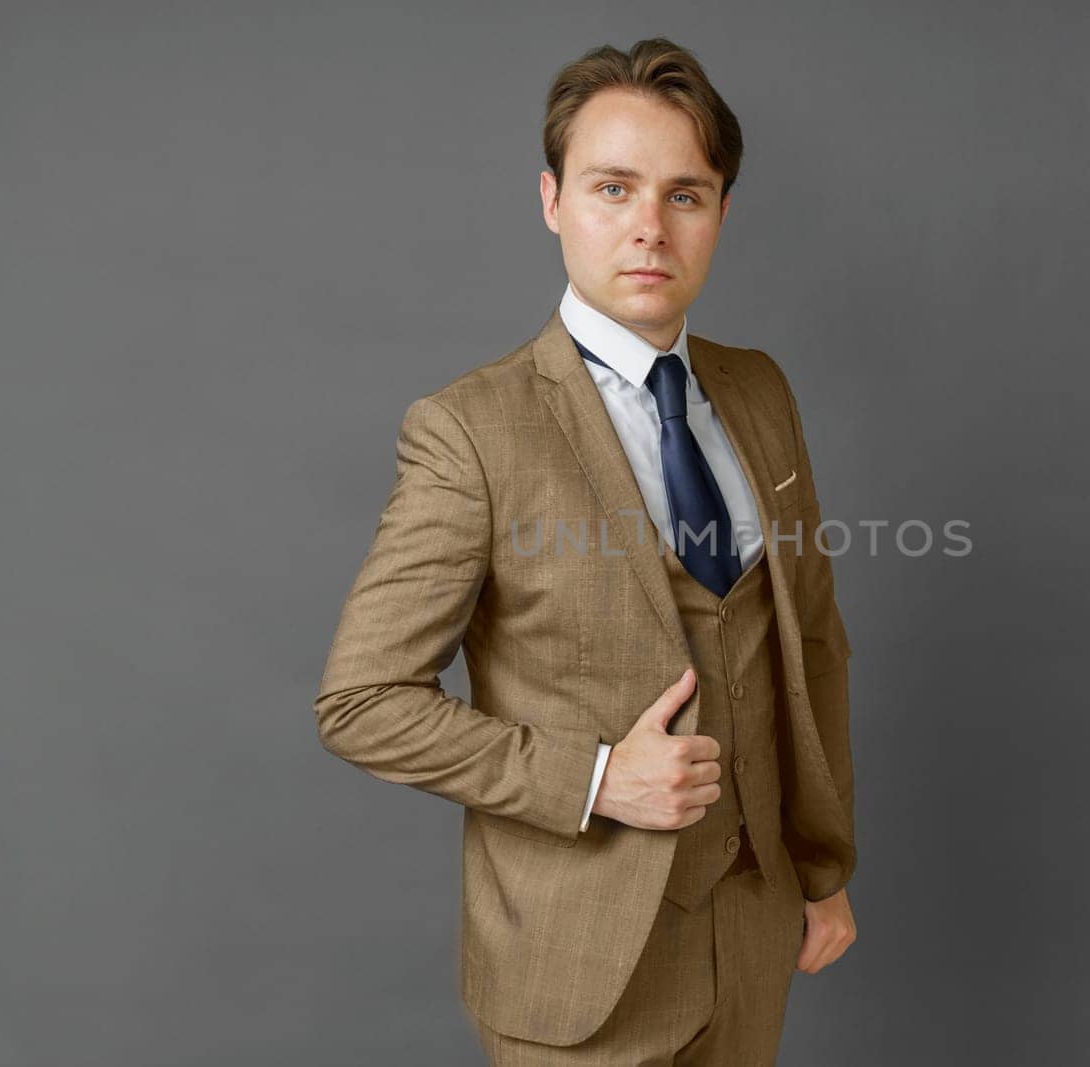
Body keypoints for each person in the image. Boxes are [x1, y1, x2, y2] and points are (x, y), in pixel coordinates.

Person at [314, 36, 857, 1064]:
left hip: (752, 928)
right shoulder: (470, 429)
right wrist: (598, 777)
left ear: (721, 214)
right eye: (614, 188)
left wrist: (821, 867)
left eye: (685, 194)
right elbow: (360, 700)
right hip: (576, 959)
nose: (649, 227)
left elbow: (811, 643)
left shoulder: (759, 392)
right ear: (553, 199)